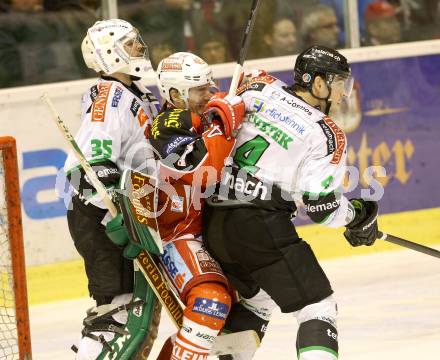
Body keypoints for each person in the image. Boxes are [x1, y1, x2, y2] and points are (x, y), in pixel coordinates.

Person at [202, 45, 379, 359]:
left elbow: (213, 120)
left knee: (259, 300)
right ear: (318, 83)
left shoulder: (258, 88)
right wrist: (356, 215)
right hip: (258, 226)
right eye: (338, 83)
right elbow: (322, 210)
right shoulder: (326, 133)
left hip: (213, 220)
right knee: (317, 307)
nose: (342, 93)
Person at [63, 19, 160, 359]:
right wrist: (110, 216)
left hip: (123, 211)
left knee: (131, 310)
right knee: (115, 312)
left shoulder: (138, 95)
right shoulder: (109, 97)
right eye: (131, 43)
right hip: (100, 213)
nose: (139, 48)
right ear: (110, 53)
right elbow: (86, 167)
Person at [148, 51, 245, 359]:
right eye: (200, 89)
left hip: (205, 233)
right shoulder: (168, 124)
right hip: (175, 236)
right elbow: (209, 170)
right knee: (210, 300)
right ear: (175, 94)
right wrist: (221, 123)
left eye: (209, 85)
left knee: (243, 306)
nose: (210, 93)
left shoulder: (198, 117)